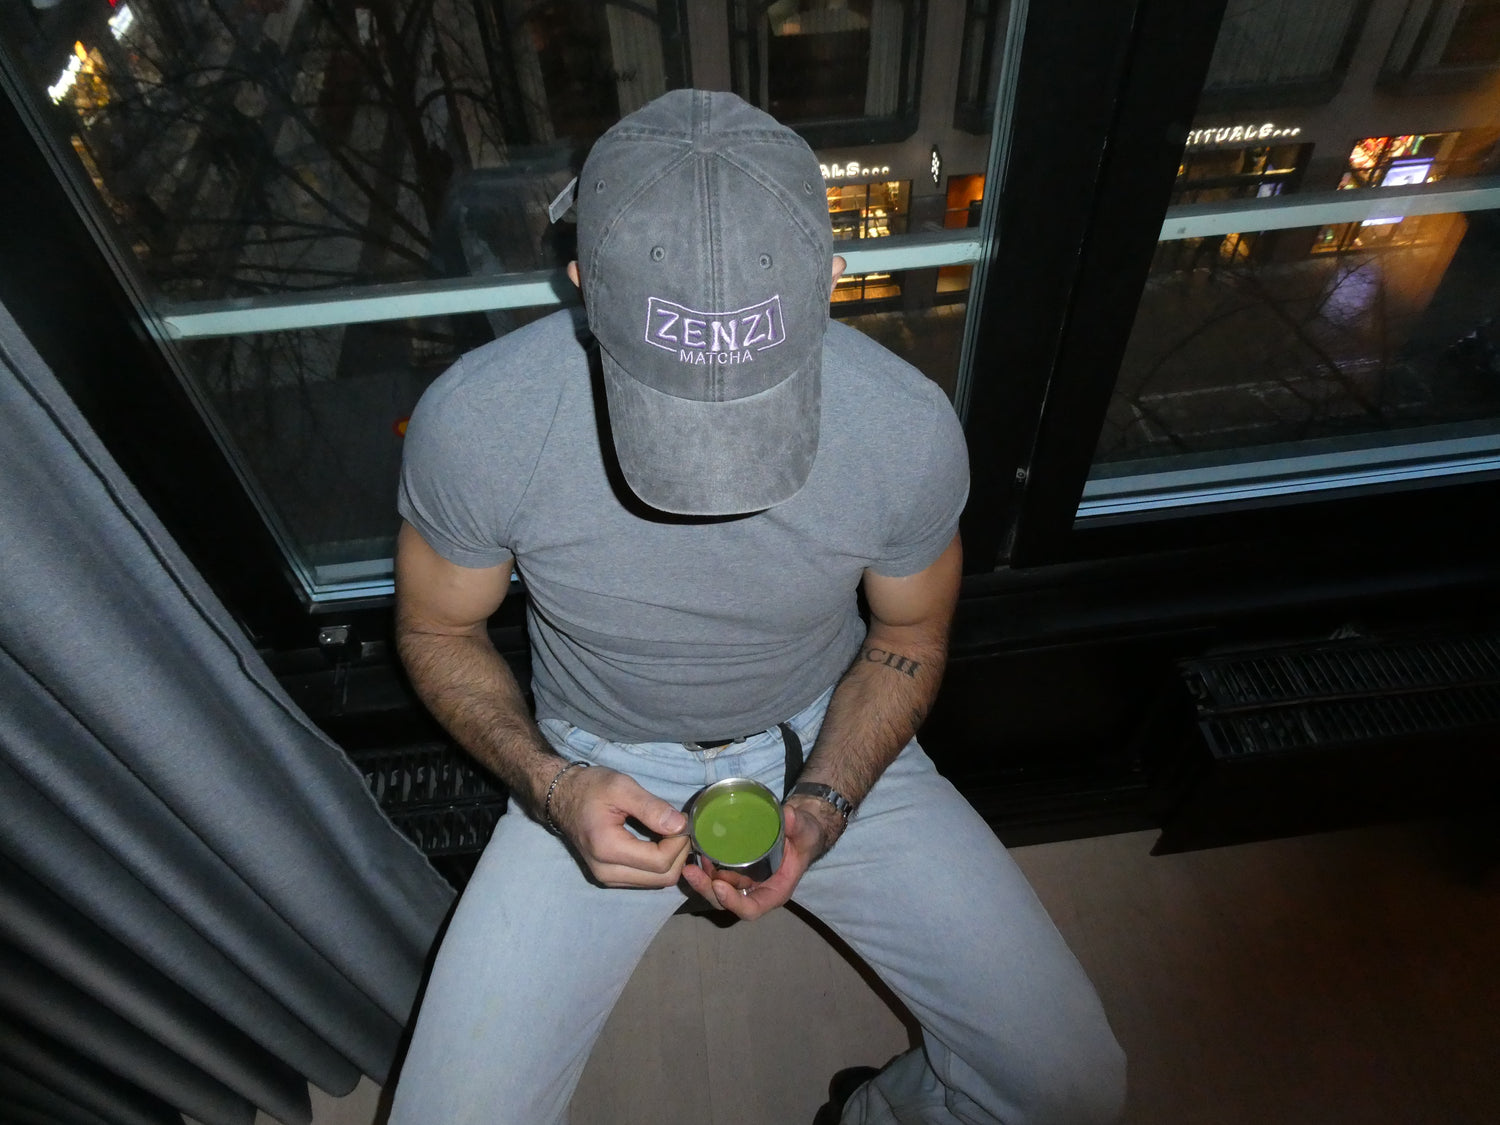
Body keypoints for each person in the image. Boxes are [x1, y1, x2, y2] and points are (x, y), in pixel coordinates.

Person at [387, 89, 1124, 1125]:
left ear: (834, 276)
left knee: (1072, 1088)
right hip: (592, 757)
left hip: (820, 734)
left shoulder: (905, 430)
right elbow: (436, 628)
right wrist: (553, 786)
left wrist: (824, 804)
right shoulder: (480, 422)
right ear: (582, 280)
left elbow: (908, 635)